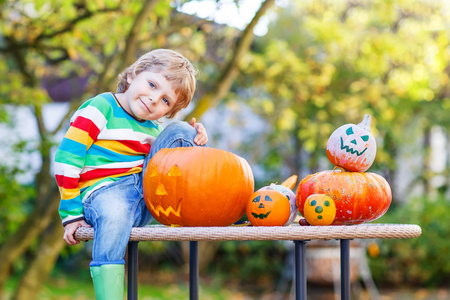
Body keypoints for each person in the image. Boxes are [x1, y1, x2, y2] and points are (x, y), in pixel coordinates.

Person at [54, 49, 208, 299]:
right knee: (114, 214)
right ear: (135, 73)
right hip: (103, 193)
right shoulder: (101, 106)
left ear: (167, 111)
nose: (154, 99)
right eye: (152, 84)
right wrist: (71, 214)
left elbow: (169, 167)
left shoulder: (155, 128)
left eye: (166, 101)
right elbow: (66, 160)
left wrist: (194, 137)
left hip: (145, 196)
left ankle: (216, 208)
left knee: (182, 131)